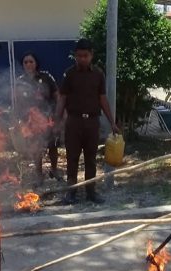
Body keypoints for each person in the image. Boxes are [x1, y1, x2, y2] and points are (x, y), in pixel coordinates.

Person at [57, 39, 119, 204]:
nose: (82, 59)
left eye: (85, 55)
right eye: (79, 56)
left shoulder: (98, 74)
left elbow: (103, 98)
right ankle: (71, 192)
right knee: (72, 158)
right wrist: (58, 120)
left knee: (91, 158)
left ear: (91, 55)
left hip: (92, 123)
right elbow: (62, 98)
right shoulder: (69, 74)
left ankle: (91, 191)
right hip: (73, 122)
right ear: (75, 56)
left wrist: (112, 122)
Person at [14, 52, 61, 184]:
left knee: (53, 145)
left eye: (31, 61)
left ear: (36, 63)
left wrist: (58, 113)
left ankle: (54, 170)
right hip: (31, 120)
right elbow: (17, 102)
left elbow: (57, 95)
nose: (28, 64)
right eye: (25, 62)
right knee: (36, 146)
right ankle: (39, 174)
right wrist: (18, 120)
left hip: (48, 117)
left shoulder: (46, 77)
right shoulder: (20, 81)